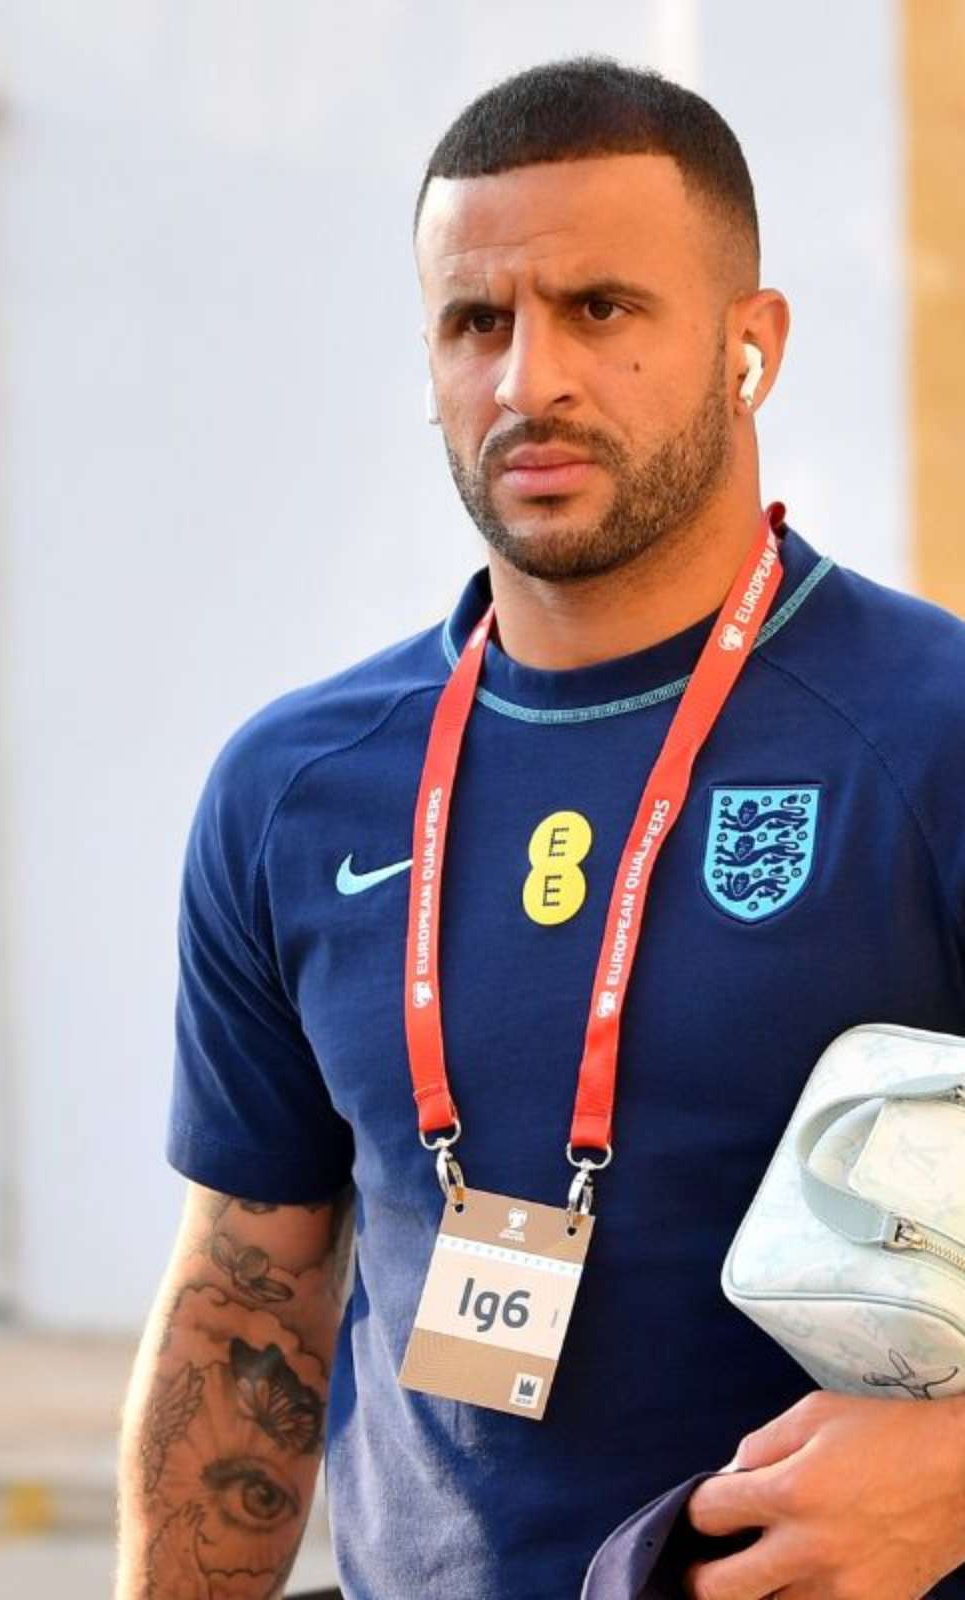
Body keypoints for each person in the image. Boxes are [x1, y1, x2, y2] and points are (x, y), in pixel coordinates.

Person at [116, 56, 965, 1600]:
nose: (530, 382)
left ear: (749, 346)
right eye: (475, 322)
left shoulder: (936, 731)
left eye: (601, 309)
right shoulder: (296, 788)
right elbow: (249, 1304)